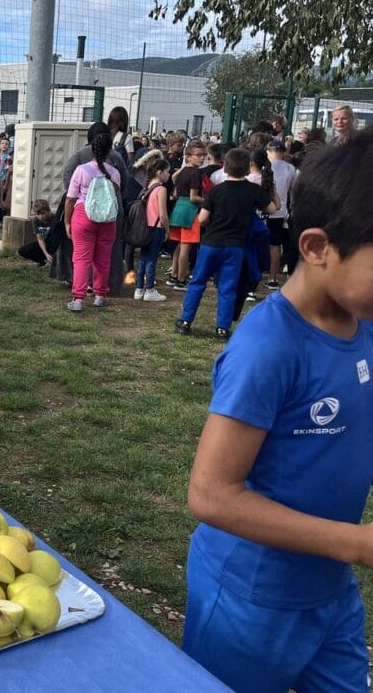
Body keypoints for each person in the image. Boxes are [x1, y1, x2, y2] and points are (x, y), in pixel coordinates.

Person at [183, 133, 373, 692]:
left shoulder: (364, 325)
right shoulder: (268, 346)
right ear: (316, 247)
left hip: (330, 591)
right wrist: (356, 544)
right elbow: (211, 494)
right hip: (251, 599)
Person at [175, 148, 278, 338]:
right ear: (248, 168)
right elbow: (272, 209)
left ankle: (186, 320)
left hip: (212, 243)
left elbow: (203, 218)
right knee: (228, 286)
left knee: (198, 281)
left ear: (225, 168)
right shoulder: (254, 191)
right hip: (236, 246)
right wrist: (273, 190)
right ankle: (222, 327)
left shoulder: (216, 190)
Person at [64, 131, 121, 311]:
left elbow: (71, 198)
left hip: (83, 215)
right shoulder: (114, 172)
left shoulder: (81, 170)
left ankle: (79, 298)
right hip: (107, 218)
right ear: (109, 151)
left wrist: (67, 221)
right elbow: (116, 194)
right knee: (103, 258)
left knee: (81, 258)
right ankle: (100, 295)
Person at [167, 139, 208, 290]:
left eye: (203, 155)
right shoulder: (196, 173)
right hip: (190, 211)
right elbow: (194, 197)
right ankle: (182, 278)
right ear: (188, 157)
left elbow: (175, 187)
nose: (201, 158)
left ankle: (174, 275)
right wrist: (209, 201)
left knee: (179, 245)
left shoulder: (182, 171)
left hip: (178, 209)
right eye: (198, 155)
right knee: (186, 247)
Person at [132, 155, 170, 302]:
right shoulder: (161, 189)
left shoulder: (146, 187)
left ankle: (139, 287)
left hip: (144, 227)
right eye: (167, 172)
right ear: (159, 173)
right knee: (152, 259)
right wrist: (167, 229)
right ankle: (149, 289)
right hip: (156, 227)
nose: (169, 175)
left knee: (143, 258)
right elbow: (163, 214)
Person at [265, 139, 298, 288]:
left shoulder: (263, 166)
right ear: (284, 153)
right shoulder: (291, 169)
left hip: (261, 209)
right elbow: (293, 190)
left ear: (267, 151)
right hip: (280, 210)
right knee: (275, 244)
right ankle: (272, 278)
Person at [17, 199, 55, 267]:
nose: (41, 216)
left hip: (55, 244)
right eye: (38, 214)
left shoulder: (55, 219)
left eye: (43, 213)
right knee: (23, 250)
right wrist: (46, 253)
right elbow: (40, 239)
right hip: (45, 243)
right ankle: (44, 260)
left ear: (49, 210)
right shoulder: (36, 220)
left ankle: (54, 261)